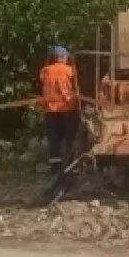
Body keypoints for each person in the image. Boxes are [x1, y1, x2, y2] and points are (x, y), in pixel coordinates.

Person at [39, 46, 79, 178]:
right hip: (68, 109)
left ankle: (55, 167)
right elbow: (76, 86)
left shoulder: (45, 71)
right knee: (70, 138)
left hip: (50, 109)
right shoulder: (70, 71)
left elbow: (42, 81)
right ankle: (70, 165)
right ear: (64, 57)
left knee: (54, 140)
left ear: (54, 57)